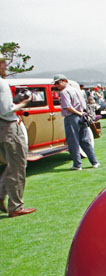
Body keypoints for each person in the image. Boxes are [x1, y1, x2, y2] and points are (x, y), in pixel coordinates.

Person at [0, 53, 35, 217]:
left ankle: (1, 196)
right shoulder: (2, 84)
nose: (5, 66)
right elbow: (7, 110)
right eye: (2, 63)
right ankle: (16, 206)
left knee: (10, 166)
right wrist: (23, 103)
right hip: (9, 126)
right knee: (17, 168)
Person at [54, 74, 99, 170]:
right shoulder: (77, 90)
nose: (56, 85)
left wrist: (78, 113)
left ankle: (77, 164)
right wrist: (81, 113)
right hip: (82, 116)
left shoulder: (64, 92)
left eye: (57, 82)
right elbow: (83, 104)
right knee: (85, 140)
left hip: (72, 117)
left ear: (64, 81)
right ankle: (94, 161)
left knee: (73, 141)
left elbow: (68, 107)